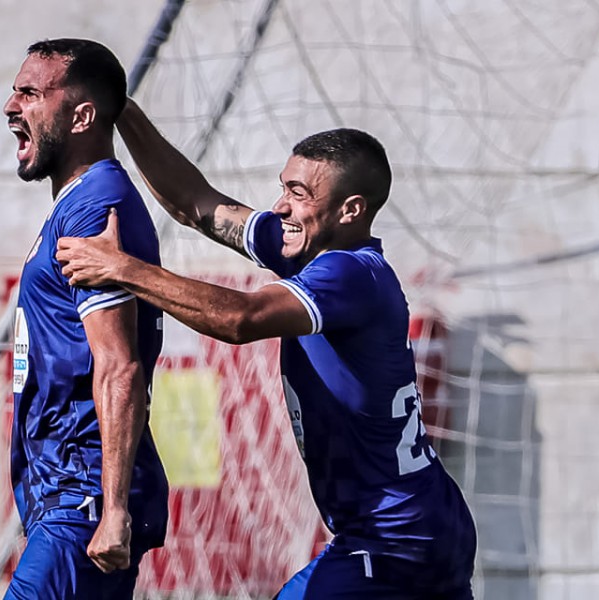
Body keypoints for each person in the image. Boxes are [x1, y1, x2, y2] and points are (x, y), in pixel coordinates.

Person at [55, 99, 477, 599]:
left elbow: (241, 319)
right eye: (283, 187)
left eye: (298, 193)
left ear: (350, 210)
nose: (280, 206)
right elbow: (196, 203)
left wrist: (122, 268)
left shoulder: (351, 272)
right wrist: (122, 108)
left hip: (393, 539)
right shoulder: (308, 250)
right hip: (420, 523)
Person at [2, 41, 168, 599]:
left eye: (30, 93)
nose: (11, 106)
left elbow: (120, 365)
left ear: (82, 117)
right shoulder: (77, 201)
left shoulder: (94, 207)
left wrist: (114, 509)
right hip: (67, 494)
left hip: (83, 496)